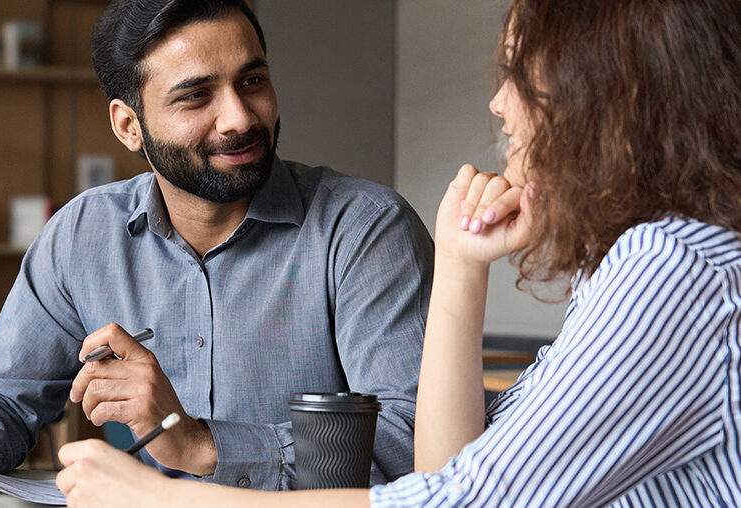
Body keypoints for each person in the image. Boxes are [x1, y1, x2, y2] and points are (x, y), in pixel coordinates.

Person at [53, 0, 741, 505]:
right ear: (129, 125)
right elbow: (446, 472)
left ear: (608, 97)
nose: (500, 106)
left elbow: (452, 504)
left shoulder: (673, 267)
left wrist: (164, 496)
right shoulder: (647, 262)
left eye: (522, 74)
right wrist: (462, 266)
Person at [0, 0, 433, 492]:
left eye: (253, 81)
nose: (239, 117)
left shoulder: (366, 229)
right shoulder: (84, 234)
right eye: (195, 96)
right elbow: (1, 393)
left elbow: (416, 439)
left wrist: (203, 446)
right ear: (129, 126)